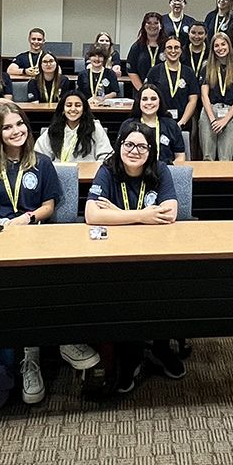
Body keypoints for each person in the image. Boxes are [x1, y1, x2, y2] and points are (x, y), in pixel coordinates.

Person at [0, 103, 97, 401]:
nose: (16, 131)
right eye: (8, 127)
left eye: (20, 124)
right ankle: (31, 355)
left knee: (56, 277)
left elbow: (49, 205)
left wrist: (28, 218)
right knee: (16, 286)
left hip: (34, 233)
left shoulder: (41, 162)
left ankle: (54, 344)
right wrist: (3, 223)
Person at [85, 122, 183, 392]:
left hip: (155, 249)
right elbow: (92, 215)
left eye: (142, 146)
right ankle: (129, 358)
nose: (135, 151)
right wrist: (142, 215)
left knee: (161, 291)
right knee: (124, 295)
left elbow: (169, 213)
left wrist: (116, 213)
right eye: (129, 144)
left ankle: (161, 348)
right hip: (115, 251)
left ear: (150, 150)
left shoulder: (160, 169)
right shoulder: (107, 168)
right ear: (119, 146)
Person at [198, 33, 233, 161]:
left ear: (229, 45)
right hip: (210, 113)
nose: (220, 48)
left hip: (230, 114)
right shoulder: (207, 68)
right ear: (212, 49)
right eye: (216, 46)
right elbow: (204, 96)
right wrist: (213, 120)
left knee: (225, 158)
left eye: (223, 44)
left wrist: (224, 120)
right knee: (207, 157)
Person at [35, 91, 113, 163]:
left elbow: (107, 157)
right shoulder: (54, 129)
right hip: (58, 175)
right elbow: (39, 156)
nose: (73, 109)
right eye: (69, 105)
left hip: (90, 175)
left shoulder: (95, 128)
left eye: (78, 105)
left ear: (84, 109)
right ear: (63, 109)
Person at [120, 84, 186, 165]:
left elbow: (180, 156)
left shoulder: (171, 125)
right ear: (138, 102)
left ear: (159, 101)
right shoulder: (128, 125)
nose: (149, 102)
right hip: (136, 172)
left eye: (153, 99)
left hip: (165, 173)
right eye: (144, 99)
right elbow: (120, 155)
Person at [143, 37, 199, 129]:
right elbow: (148, 97)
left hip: (182, 123)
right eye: (169, 47)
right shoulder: (154, 71)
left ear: (181, 51)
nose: (173, 51)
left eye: (176, 47)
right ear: (164, 51)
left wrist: (182, 122)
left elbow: (193, 100)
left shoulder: (189, 72)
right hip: (158, 122)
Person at [126, 12, 167, 90]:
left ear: (161, 26)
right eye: (149, 23)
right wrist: (142, 90)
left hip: (164, 93)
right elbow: (132, 72)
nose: (152, 26)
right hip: (142, 92)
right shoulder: (136, 47)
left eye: (156, 23)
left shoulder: (167, 46)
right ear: (144, 26)